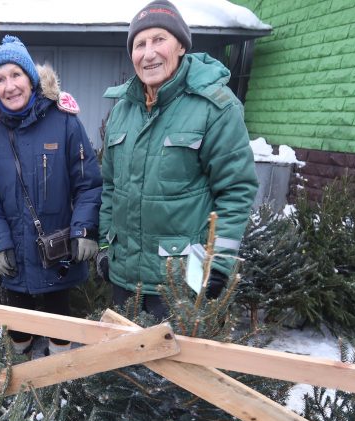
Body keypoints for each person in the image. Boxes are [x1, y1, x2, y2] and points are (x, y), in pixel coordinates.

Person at [96, 0, 259, 319]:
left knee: (173, 369)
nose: (149, 52)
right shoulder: (122, 111)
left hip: (183, 279)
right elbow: (110, 189)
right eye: (140, 44)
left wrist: (217, 265)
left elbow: (236, 193)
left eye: (159, 39)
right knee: (125, 367)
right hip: (125, 277)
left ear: (181, 45)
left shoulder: (216, 109)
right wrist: (104, 247)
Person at [0, 36, 102, 357]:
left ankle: (59, 386)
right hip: (15, 256)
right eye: (0, 79)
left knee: (60, 333)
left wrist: (84, 231)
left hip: (57, 254)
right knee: (19, 334)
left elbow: (88, 183)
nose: (9, 86)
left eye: (15, 75)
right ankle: (22, 390)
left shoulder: (64, 122)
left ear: (31, 79)